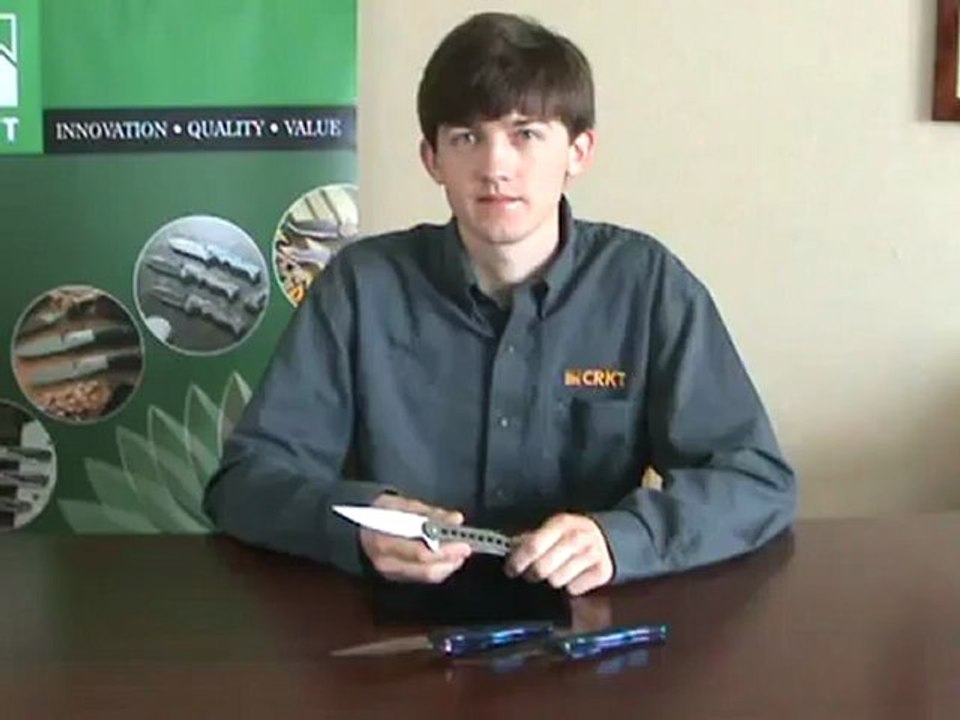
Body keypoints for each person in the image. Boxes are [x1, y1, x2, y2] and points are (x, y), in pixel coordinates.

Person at [203, 11, 796, 596]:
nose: (495, 167)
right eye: (467, 138)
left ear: (579, 151)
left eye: (525, 134)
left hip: (588, 619)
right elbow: (245, 483)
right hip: (393, 624)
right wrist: (358, 524)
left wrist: (622, 539)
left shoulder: (646, 285)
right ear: (432, 159)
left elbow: (755, 481)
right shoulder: (361, 287)